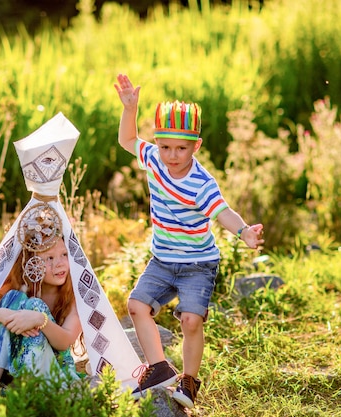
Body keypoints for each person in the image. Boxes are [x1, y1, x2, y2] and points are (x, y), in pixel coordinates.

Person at [113, 73, 265, 409]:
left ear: (195, 146)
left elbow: (222, 212)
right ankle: (159, 367)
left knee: (191, 320)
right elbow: (128, 140)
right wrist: (130, 109)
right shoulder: (153, 159)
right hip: (162, 261)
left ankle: (190, 381)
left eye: (181, 148)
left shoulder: (202, 183)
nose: (171, 155)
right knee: (137, 306)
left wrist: (244, 232)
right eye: (165, 146)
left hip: (198, 264)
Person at [0, 203, 84, 399]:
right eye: (49, 258)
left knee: (36, 306)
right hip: (12, 366)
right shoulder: (17, 288)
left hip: (51, 369)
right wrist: (2, 315)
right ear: (30, 262)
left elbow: (65, 342)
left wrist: (39, 320)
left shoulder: (74, 295)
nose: (59, 263)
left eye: (64, 255)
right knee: (13, 299)